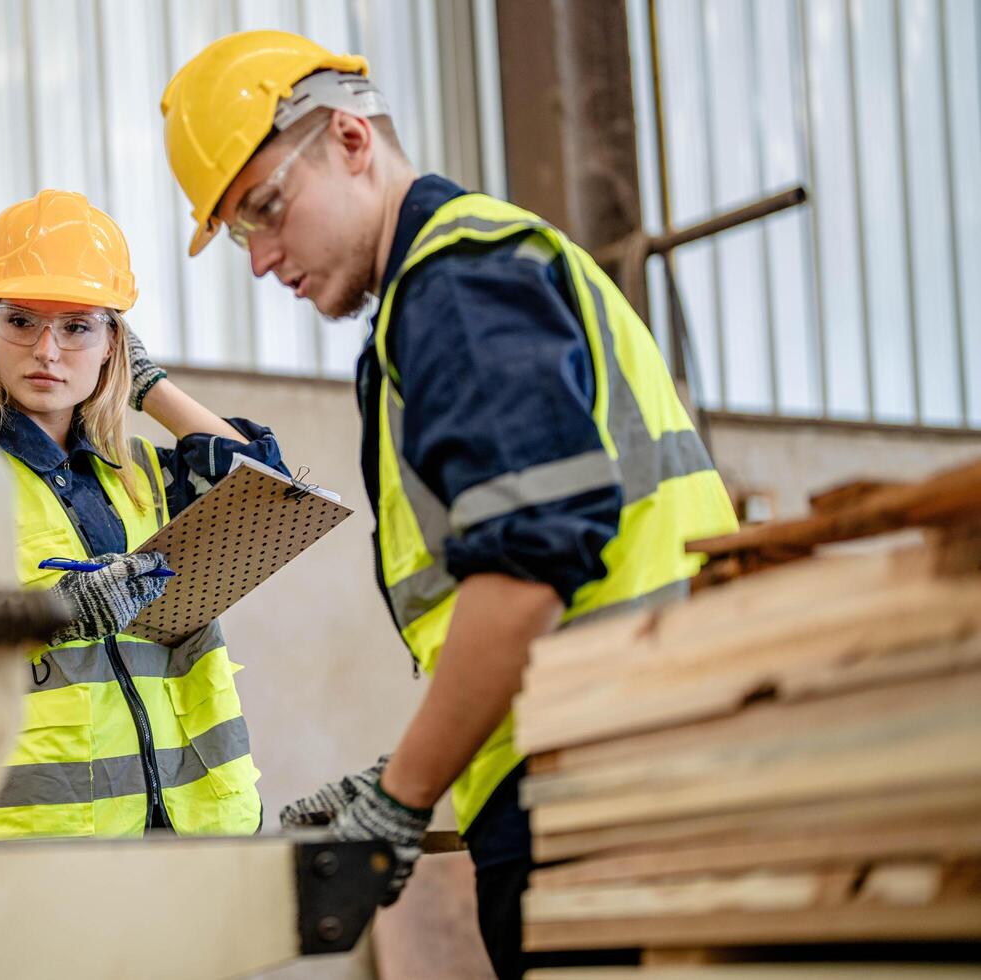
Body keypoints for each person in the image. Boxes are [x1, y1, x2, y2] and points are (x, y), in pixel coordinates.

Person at [160, 33, 738, 977]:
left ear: (351, 140)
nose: (262, 259)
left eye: (267, 208)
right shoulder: (471, 275)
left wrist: (401, 796)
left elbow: (525, 579)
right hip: (623, 755)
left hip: (602, 787)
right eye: (238, 233)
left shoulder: (457, 286)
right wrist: (399, 772)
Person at [0, 189, 285, 841]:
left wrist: (151, 387)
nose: (46, 351)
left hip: (189, 826)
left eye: (77, 326)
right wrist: (53, 614)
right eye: (22, 321)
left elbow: (270, 498)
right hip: (34, 842)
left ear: (114, 341)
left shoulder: (144, 475)